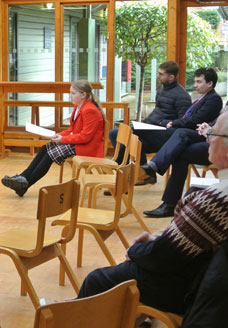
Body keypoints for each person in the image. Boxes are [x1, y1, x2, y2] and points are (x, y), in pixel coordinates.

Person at [75, 109, 228, 316]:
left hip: (194, 292)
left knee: (98, 280)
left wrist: (136, 252)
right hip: (202, 277)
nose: (208, 139)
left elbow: (163, 256)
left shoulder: (216, 201)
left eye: (213, 134)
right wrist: (156, 239)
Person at [1, 80, 104, 197]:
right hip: (79, 143)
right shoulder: (79, 107)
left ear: (83, 95)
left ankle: (24, 184)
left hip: (87, 147)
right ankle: (23, 178)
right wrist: (59, 135)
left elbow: (85, 137)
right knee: (46, 147)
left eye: (73, 93)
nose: (70, 96)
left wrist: (62, 140)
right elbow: (72, 129)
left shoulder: (89, 110)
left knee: (51, 154)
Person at [138, 67, 223, 189]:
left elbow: (196, 120)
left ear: (210, 84)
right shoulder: (202, 97)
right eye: (195, 81)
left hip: (199, 136)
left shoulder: (213, 99)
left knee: (178, 136)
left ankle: (150, 168)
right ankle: (147, 170)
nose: (195, 85)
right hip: (188, 134)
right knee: (139, 139)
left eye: (199, 82)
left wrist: (174, 123)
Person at [143, 108, 227, 220]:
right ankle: (168, 200)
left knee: (180, 151)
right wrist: (206, 126)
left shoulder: (213, 99)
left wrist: (210, 132)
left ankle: (169, 202)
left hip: (220, 143)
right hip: (212, 136)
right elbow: (218, 122)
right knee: (181, 135)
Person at [109, 60, 191, 167]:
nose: (158, 76)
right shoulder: (162, 90)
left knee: (133, 131)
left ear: (171, 77)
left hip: (166, 134)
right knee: (115, 133)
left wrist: (162, 122)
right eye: (158, 73)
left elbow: (183, 122)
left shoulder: (182, 96)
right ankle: (140, 170)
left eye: (161, 74)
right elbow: (158, 111)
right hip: (151, 129)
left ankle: (119, 166)